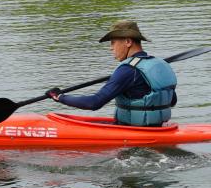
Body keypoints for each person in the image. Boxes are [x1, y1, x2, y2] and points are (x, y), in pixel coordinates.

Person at [47, 20, 179, 127]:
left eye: (113, 42)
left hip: (134, 132)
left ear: (128, 42)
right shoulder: (160, 64)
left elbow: (94, 103)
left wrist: (60, 97)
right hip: (160, 128)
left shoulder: (127, 70)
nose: (111, 48)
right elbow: (172, 101)